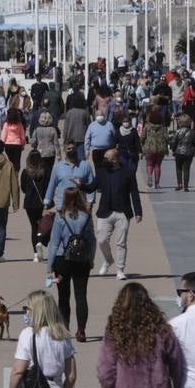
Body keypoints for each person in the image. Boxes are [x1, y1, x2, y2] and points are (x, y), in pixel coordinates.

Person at [48, 187, 97, 341]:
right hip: (82, 260)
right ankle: (81, 330)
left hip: (62, 259)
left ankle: (65, 328)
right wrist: (91, 258)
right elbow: (92, 241)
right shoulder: (87, 217)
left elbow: (54, 243)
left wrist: (49, 265)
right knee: (81, 295)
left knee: (63, 296)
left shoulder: (60, 217)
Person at [93, 149, 143, 280]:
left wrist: (138, 212)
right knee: (101, 240)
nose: (104, 161)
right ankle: (108, 260)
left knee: (121, 243)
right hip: (105, 212)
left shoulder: (128, 173)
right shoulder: (101, 172)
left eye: (106, 158)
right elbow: (91, 187)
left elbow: (134, 192)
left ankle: (120, 270)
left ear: (115, 160)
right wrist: (80, 185)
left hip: (122, 212)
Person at [43, 139, 96, 210]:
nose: (71, 150)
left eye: (73, 148)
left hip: (80, 207)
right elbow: (51, 186)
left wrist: (90, 202)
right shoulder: (57, 167)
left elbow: (91, 184)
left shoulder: (85, 165)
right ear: (64, 150)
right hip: (62, 208)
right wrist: (46, 203)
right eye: (69, 148)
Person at [20, 151, 48, 263]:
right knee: (39, 223)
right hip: (40, 202)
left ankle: (35, 254)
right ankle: (40, 241)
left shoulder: (25, 172)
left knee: (33, 227)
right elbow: (47, 187)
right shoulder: (44, 172)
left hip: (29, 203)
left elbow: (23, 188)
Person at [170, 113, 195, 192]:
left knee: (178, 168)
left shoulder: (177, 132)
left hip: (179, 152)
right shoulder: (191, 132)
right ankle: (186, 186)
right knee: (186, 169)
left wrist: (173, 149)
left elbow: (174, 142)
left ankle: (179, 184)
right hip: (188, 153)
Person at [141, 103, 169, 190]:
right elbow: (167, 138)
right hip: (160, 148)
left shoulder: (147, 126)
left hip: (149, 148)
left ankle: (149, 177)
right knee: (157, 165)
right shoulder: (163, 128)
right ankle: (157, 184)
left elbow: (142, 137)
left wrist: (141, 144)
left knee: (149, 164)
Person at [61, 92, 91, 160]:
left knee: (70, 157)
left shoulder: (69, 112)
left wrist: (65, 139)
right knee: (81, 158)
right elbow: (89, 126)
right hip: (82, 138)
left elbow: (66, 127)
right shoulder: (85, 112)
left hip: (70, 138)